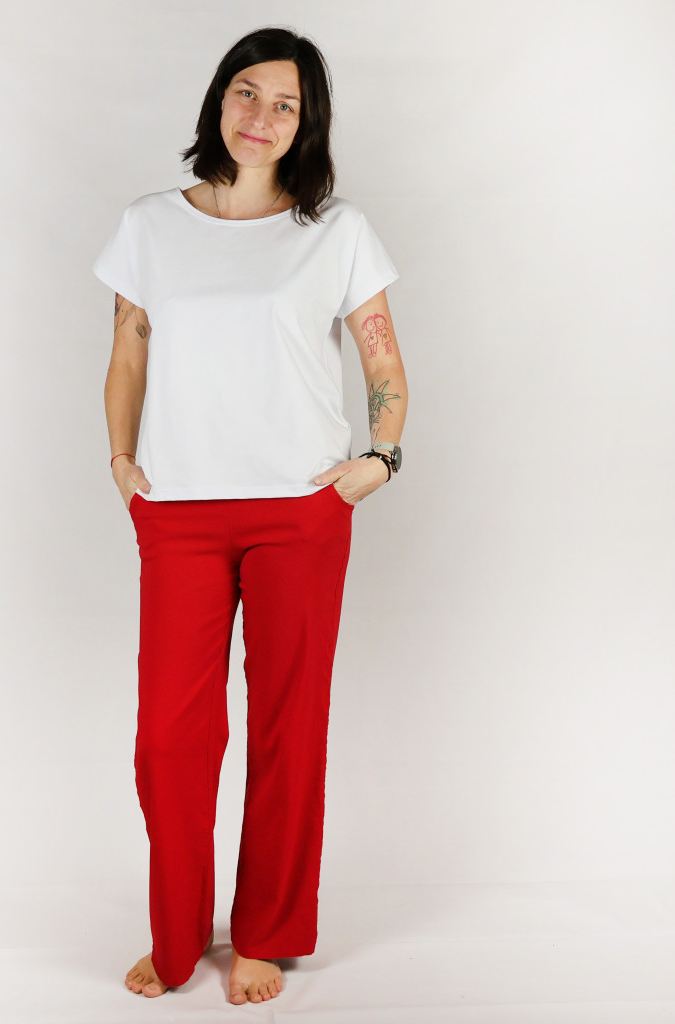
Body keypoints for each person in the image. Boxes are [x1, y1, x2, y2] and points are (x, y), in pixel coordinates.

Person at [94, 25, 408, 1005]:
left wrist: (379, 458)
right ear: (218, 100)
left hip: (300, 509)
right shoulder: (150, 225)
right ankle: (177, 934)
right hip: (179, 511)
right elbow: (129, 355)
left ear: (306, 123)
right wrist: (123, 464)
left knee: (287, 727)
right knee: (169, 739)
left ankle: (266, 931)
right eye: (247, 93)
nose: (261, 117)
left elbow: (384, 362)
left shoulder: (335, 231)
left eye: (285, 104)